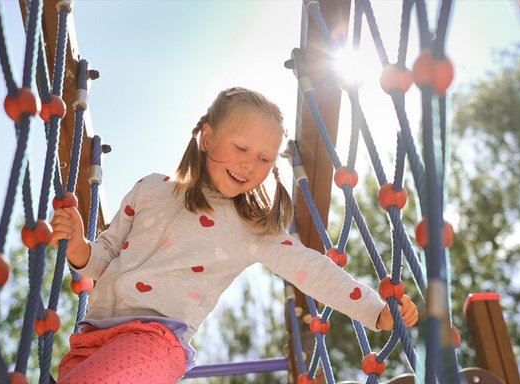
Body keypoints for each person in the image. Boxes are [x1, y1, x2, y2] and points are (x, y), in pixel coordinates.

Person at [50, 87, 418, 384]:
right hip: (90, 338)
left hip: (154, 340)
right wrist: (80, 246)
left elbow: (313, 270)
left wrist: (375, 312)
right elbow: (104, 258)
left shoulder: (252, 227)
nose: (248, 165)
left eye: (264, 158)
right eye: (241, 148)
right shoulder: (149, 188)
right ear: (207, 138)